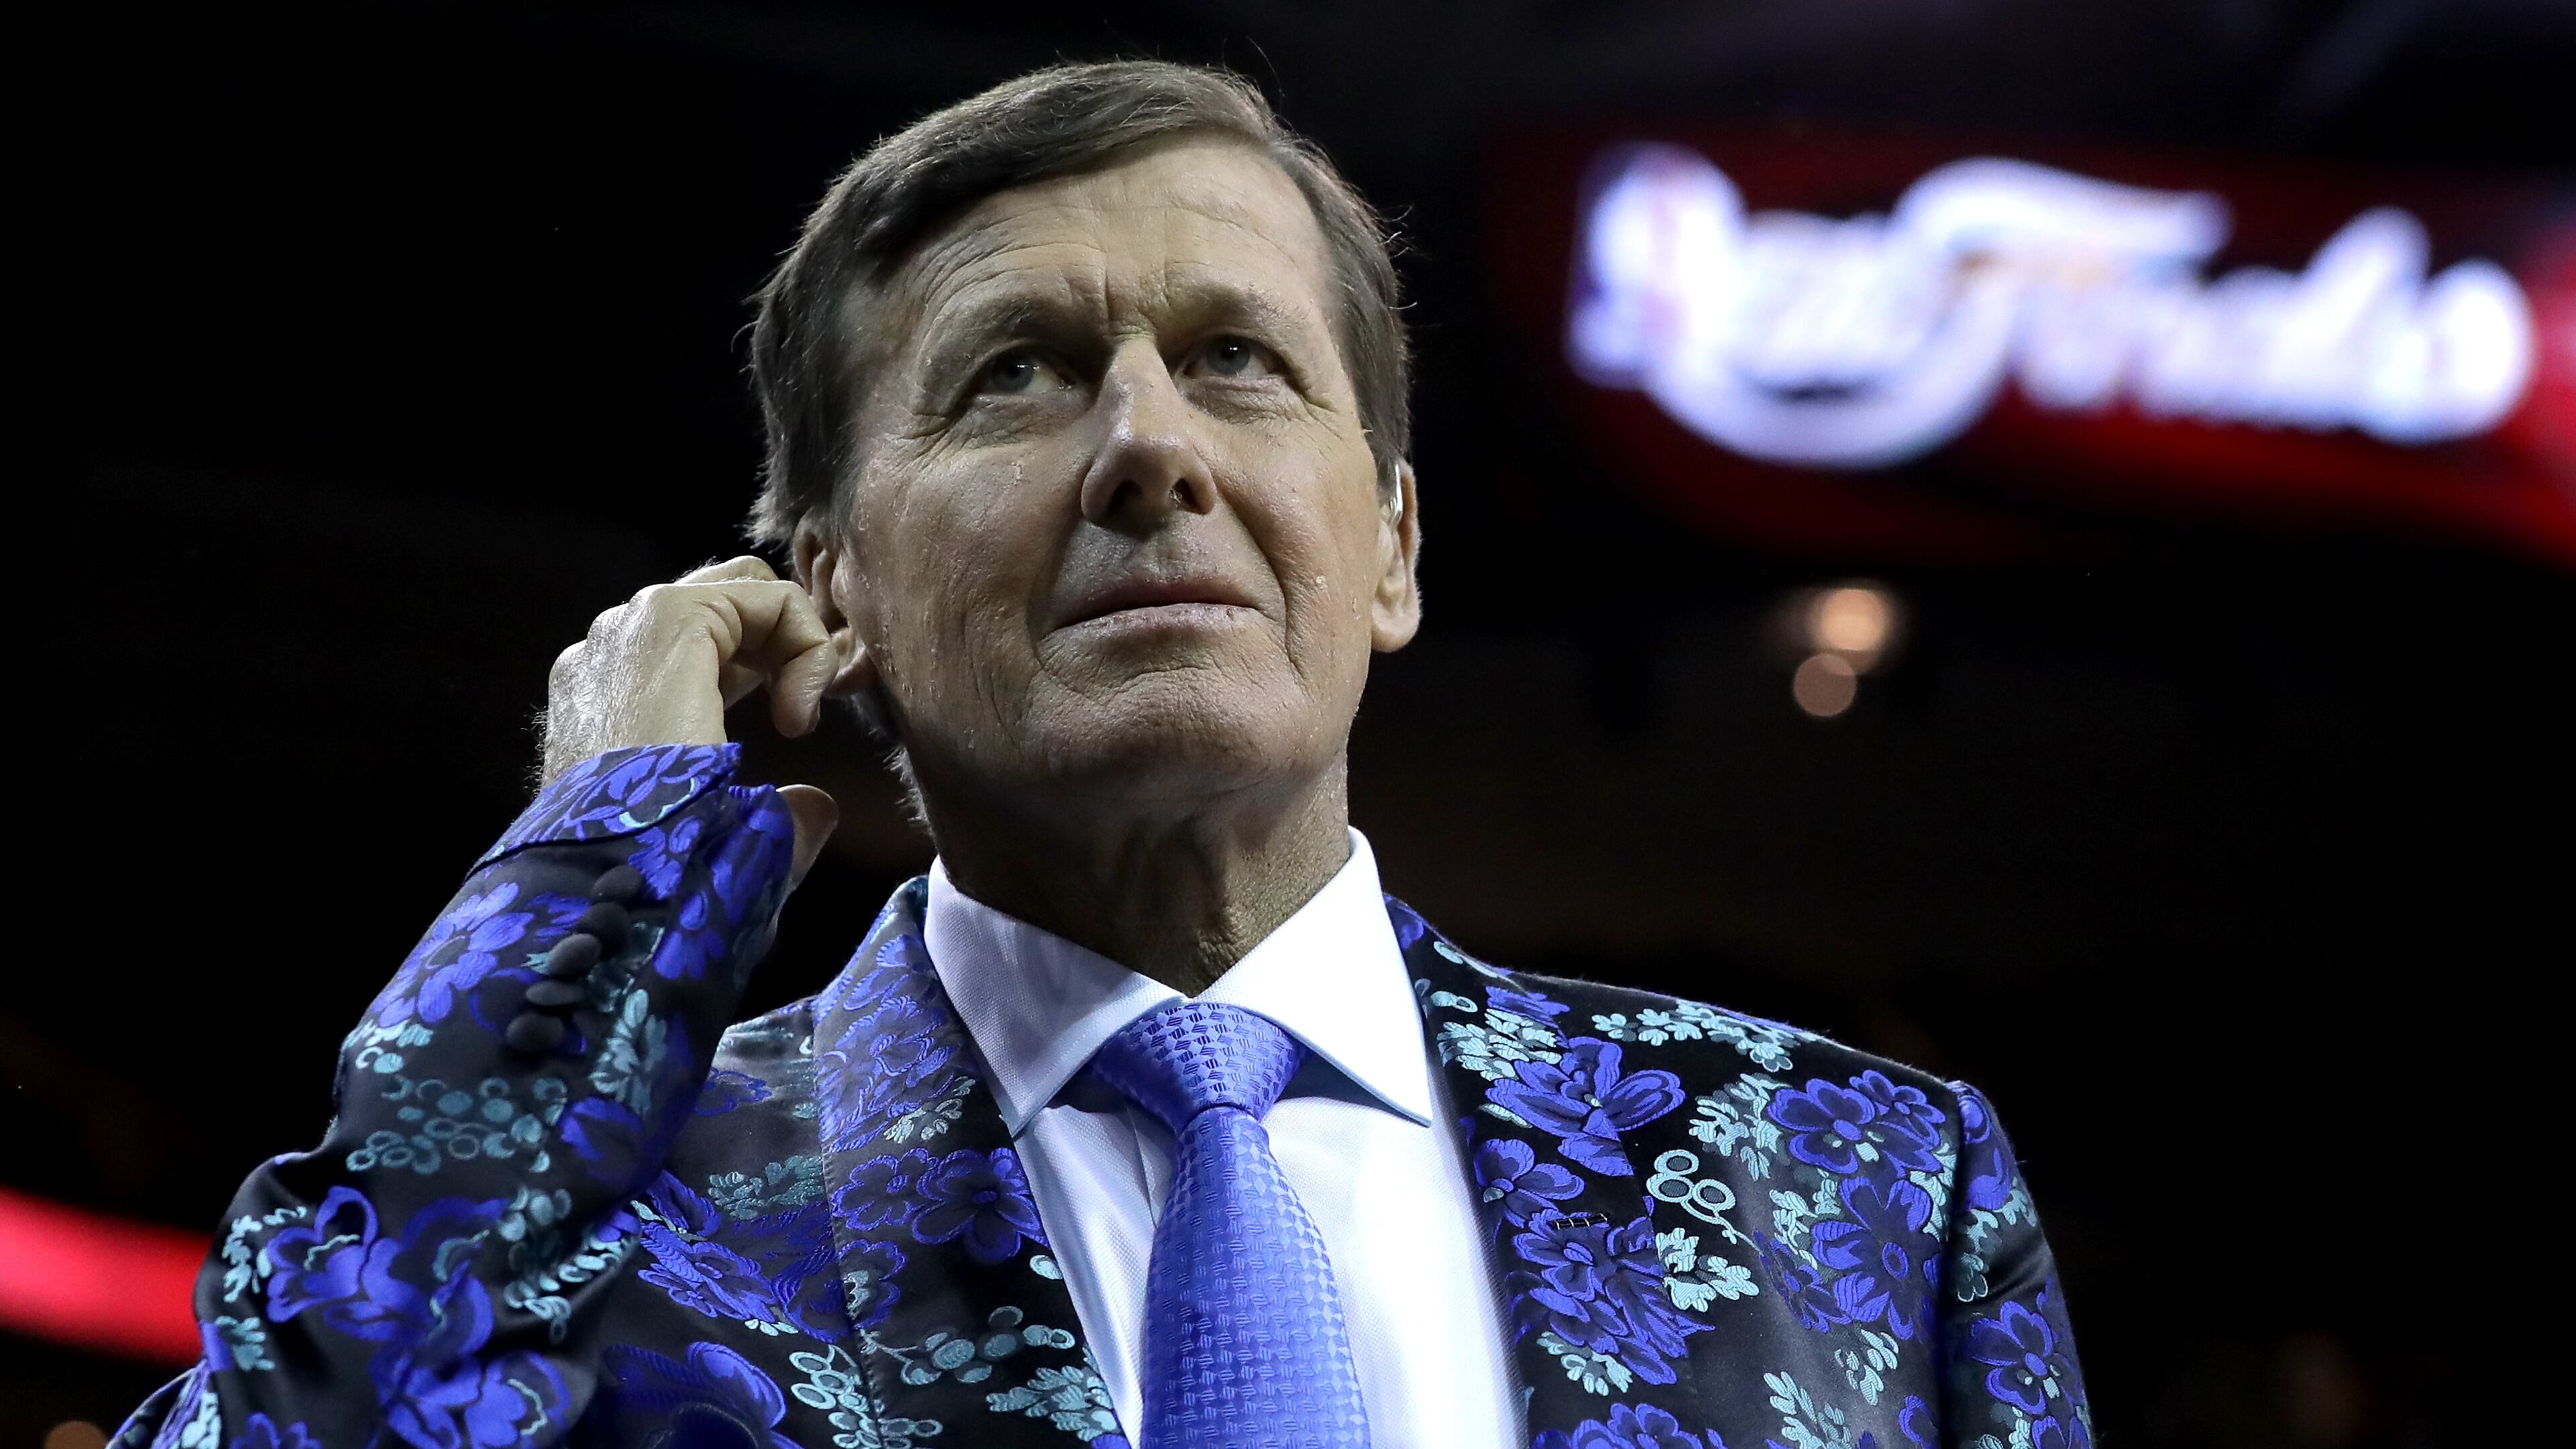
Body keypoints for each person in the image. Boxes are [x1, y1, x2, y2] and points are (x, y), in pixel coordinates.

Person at [114, 60, 2087, 1449]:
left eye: (1238, 357)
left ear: (1390, 543)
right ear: (831, 583)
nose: (1152, 446)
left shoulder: (1860, 1192)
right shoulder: (598, 1210)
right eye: (1016, 375)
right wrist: (600, 860)